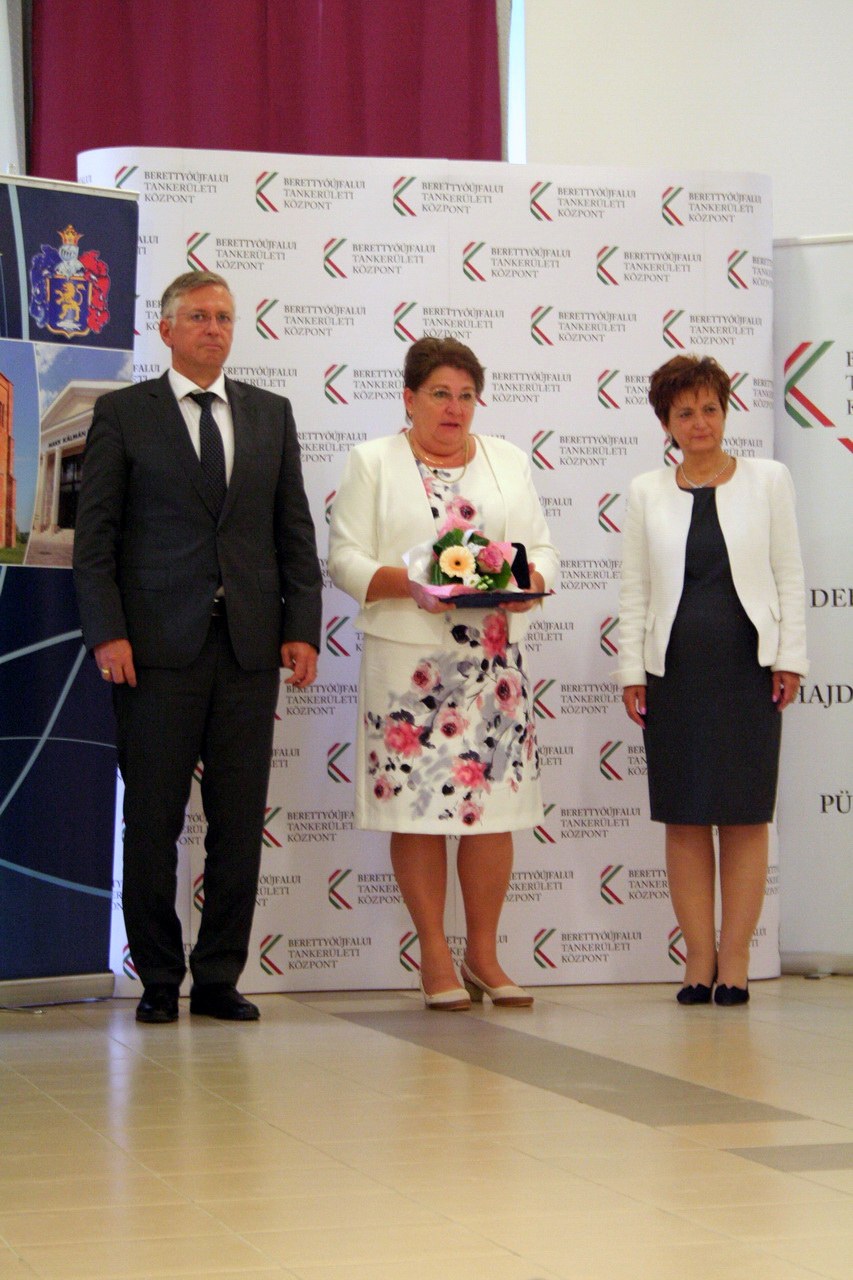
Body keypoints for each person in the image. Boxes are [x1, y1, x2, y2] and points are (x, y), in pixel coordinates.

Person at [73, 271, 322, 1024]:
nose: (215, 328)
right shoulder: (123, 414)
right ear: (167, 329)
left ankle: (218, 977)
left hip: (247, 648)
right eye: (200, 316)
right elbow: (96, 539)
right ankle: (157, 976)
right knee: (153, 822)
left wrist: (301, 627)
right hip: (153, 652)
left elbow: (293, 531)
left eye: (225, 317)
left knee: (238, 824)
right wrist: (108, 631)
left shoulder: (270, 414)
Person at [328, 336, 558, 1010]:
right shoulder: (372, 461)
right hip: (409, 669)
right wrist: (410, 584)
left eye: (465, 396)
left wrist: (530, 582)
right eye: (439, 394)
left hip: (493, 664)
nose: (454, 408)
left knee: (493, 812)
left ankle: (483, 956)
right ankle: (433, 955)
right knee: (418, 811)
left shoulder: (507, 459)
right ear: (409, 398)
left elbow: (542, 548)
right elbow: (344, 559)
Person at [617, 355, 808, 1007]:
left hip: (749, 669)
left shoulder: (768, 480)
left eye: (709, 408)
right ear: (665, 423)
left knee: (745, 816)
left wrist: (789, 657)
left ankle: (736, 960)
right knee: (685, 817)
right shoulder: (645, 491)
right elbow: (635, 588)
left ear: (725, 412)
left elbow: (788, 573)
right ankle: (697, 960)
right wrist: (631, 670)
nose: (699, 422)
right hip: (672, 672)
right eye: (684, 412)